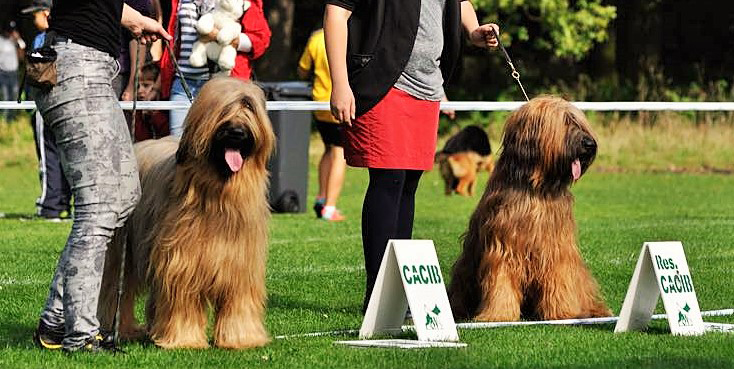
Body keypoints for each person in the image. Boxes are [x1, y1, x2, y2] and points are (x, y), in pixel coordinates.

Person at [324, 0, 500, 311]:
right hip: (383, 81)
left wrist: (473, 30)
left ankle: (397, 294)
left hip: (429, 85)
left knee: (408, 184)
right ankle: (378, 294)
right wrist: (340, 83)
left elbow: (461, 3)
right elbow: (336, 13)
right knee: (389, 178)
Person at [31, 0, 170, 353]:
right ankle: (80, 334)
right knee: (98, 208)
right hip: (77, 67)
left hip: (92, 67)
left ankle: (55, 321)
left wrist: (136, 19)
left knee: (124, 194)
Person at [159, 0, 271, 136]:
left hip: (224, 87)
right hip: (183, 82)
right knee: (177, 141)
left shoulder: (243, 2)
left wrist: (221, 37)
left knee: (217, 142)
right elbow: (173, 38)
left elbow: (260, 40)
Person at [22, 0, 73, 221]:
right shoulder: (73, 35)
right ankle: (66, 203)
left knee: (48, 155)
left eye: (35, 15)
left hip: (45, 103)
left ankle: (49, 205)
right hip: (70, 103)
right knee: (69, 156)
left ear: (45, 13)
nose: (33, 20)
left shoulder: (42, 39)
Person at [297, 27, 347, 222]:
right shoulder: (347, 35)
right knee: (339, 154)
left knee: (328, 150)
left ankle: (321, 199)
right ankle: (330, 207)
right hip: (339, 102)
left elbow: (302, 70)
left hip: (319, 102)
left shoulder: (316, 38)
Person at [133, 62, 169, 141]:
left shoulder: (168, 106)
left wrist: (155, 115)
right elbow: (142, 139)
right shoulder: (139, 109)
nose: (140, 90)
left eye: (146, 85)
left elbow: (167, 135)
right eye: (138, 86)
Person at [0, 21, 23, 122]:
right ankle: (5, 119)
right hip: (3, 73)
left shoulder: (15, 41)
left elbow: (22, 51)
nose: (10, 33)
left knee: (14, 95)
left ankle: (13, 118)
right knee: (5, 96)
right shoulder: (1, 40)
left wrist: (17, 40)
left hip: (14, 73)